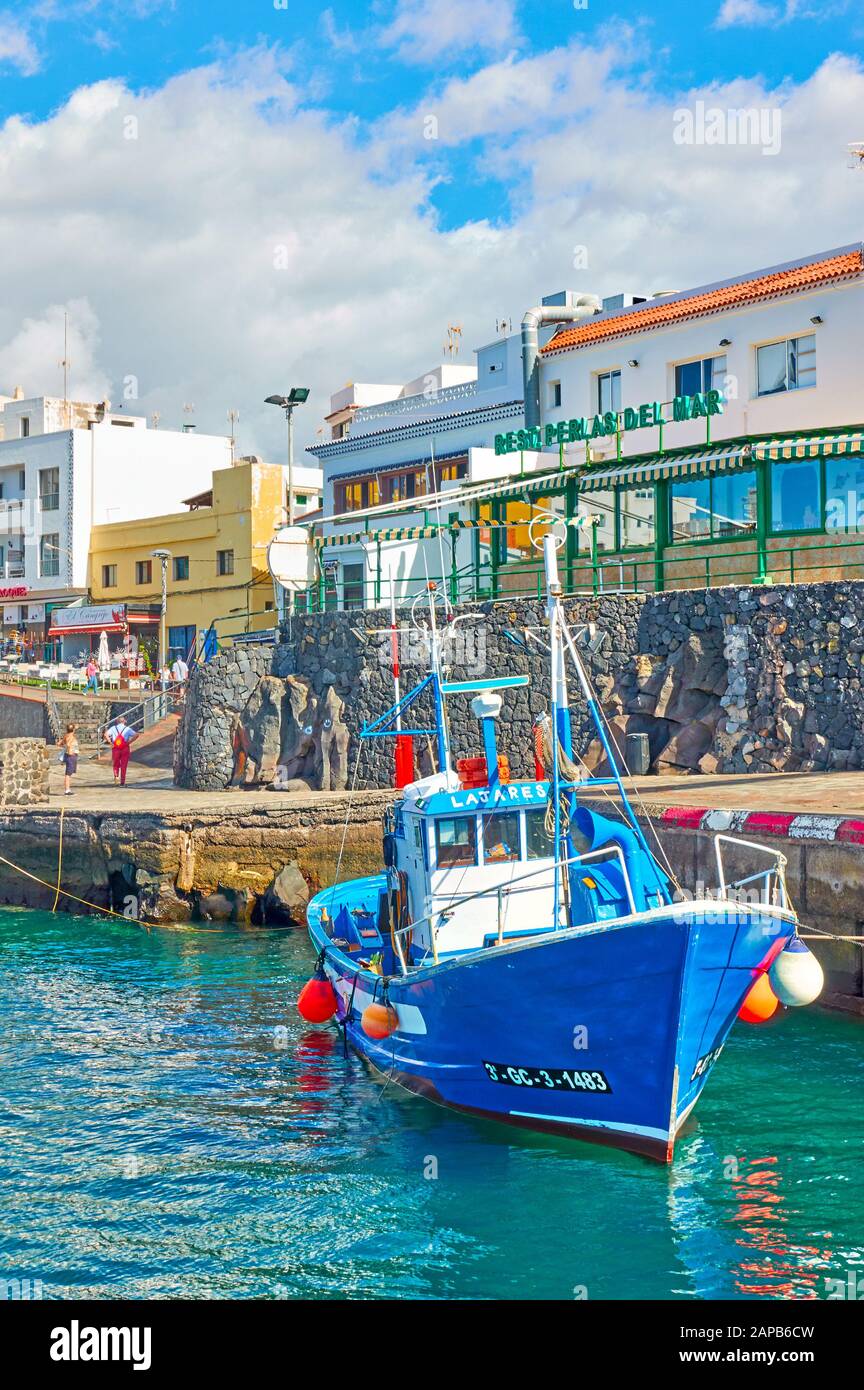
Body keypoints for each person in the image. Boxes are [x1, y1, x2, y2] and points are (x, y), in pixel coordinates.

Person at [103, 713, 137, 786]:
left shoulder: (113, 728)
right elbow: (136, 735)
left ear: (117, 722)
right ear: (124, 721)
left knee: (116, 764)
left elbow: (105, 735)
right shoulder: (127, 729)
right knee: (124, 765)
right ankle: (122, 782)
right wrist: (129, 742)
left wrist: (110, 742)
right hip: (125, 748)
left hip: (115, 748)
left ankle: (116, 778)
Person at [58, 723, 79, 796]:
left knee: (69, 774)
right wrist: (69, 750)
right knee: (68, 774)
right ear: (73, 730)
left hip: (69, 756)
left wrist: (65, 747)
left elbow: (59, 744)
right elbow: (69, 745)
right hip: (71, 756)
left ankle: (68, 789)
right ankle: (67, 790)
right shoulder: (71, 737)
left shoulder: (66, 736)